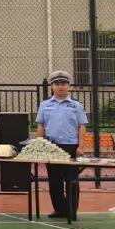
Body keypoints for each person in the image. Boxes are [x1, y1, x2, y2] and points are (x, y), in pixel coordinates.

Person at [36, 70, 86, 219]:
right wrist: (40, 145)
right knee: (54, 181)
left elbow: (82, 126)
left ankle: (71, 210)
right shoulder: (45, 105)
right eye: (57, 84)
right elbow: (40, 126)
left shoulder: (76, 105)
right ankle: (60, 209)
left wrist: (81, 146)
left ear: (69, 86)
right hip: (52, 147)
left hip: (71, 147)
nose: (60, 86)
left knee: (71, 180)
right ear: (52, 86)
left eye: (64, 83)